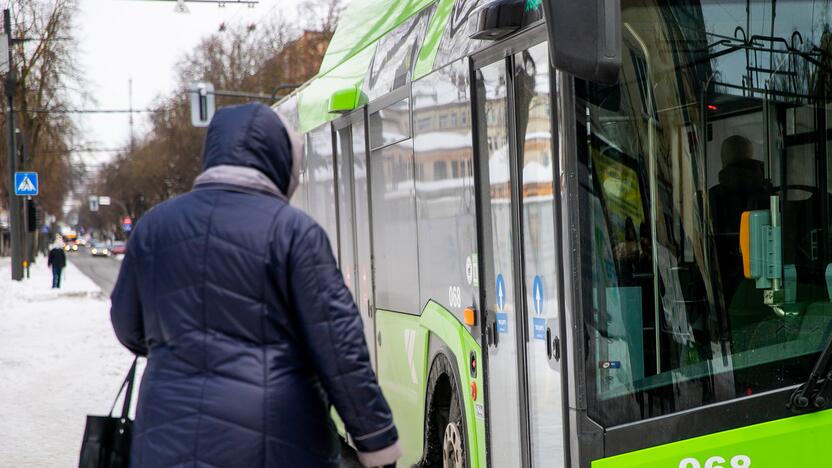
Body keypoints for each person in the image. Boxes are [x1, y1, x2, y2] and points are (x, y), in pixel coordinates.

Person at [110, 103, 401, 468]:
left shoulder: (153, 228)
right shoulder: (294, 232)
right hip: (276, 440)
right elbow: (339, 346)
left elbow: (128, 329)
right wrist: (377, 442)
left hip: (166, 438)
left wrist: (180, 345)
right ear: (279, 160)